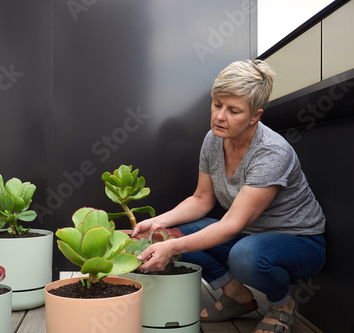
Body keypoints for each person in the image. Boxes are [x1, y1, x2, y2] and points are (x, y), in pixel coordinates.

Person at [132, 59, 326, 333]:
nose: (220, 116)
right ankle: (237, 295)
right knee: (173, 231)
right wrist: (157, 224)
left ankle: (282, 305)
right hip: (249, 234)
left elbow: (232, 224)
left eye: (233, 110)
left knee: (243, 256)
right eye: (217, 104)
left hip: (300, 242)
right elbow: (201, 199)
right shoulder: (213, 139)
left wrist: (173, 248)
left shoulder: (271, 152)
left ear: (255, 116)